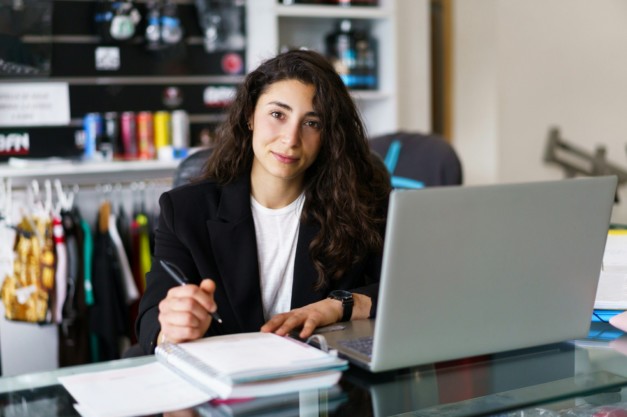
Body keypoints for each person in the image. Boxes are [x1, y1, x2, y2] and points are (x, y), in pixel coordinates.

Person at [135, 49, 391, 354]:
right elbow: (151, 319)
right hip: (226, 384)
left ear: (329, 136)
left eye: (312, 123)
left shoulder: (360, 206)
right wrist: (171, 328)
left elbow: (405, 289)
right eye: (277, 114)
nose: (291, 138)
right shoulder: (185, 210)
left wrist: (338, 306)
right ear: (249, 116)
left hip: (321, 387)